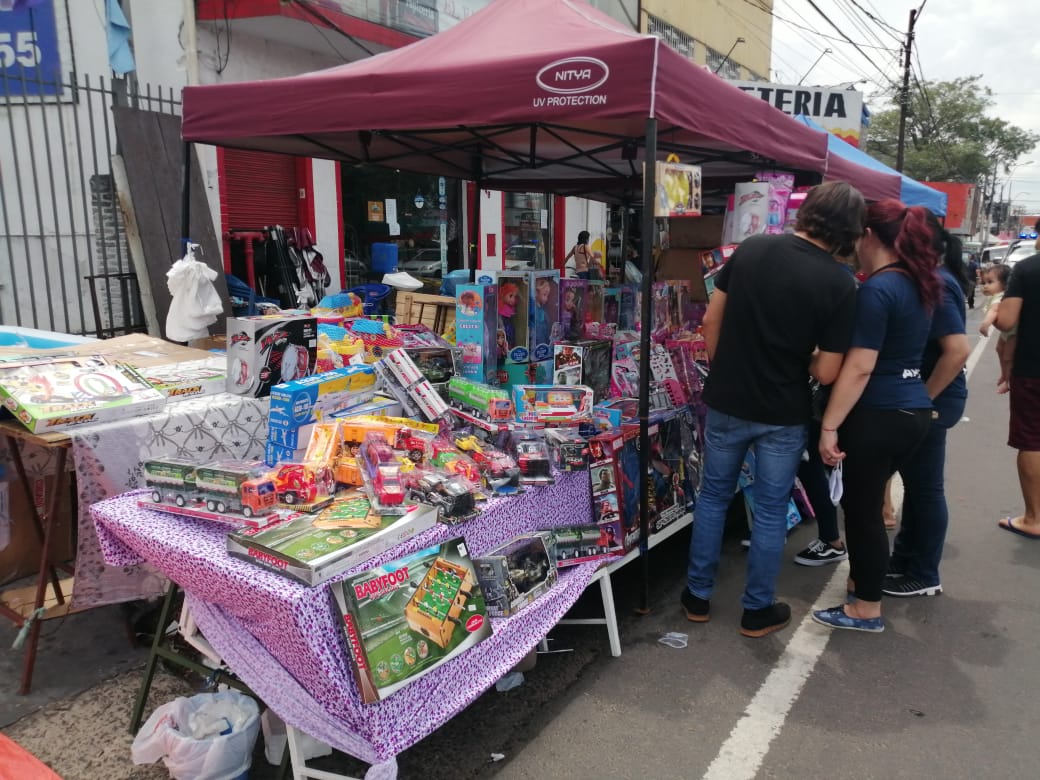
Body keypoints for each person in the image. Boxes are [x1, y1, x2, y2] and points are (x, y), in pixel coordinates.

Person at [682, 181, 862, 638]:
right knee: (769, 508)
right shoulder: (841, 283)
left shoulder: (752, 249)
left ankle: (697, 596)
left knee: (713, 497)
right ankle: (756, 608)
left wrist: (727, 372)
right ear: (848, 229)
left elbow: (709, 321)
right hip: (783, 410)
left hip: (726, 400)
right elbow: (826, 371)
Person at [814, 201, 940, 633]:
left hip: (878, 414)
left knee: (863, 513)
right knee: (869, 508)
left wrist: (829, 426)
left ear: (869, 235)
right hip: (913, 410)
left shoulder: (877, 290)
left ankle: (865, 608)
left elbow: (860, 366)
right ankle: (859, 585)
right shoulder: (916, 284)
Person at [885, 212, 971, 598]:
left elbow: (956, 351)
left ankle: (924, 572)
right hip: (929, 396)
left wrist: (925, 398)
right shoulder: (934, 279)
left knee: (926, 489)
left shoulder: (939, 282)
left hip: (936, 398)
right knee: (918, 486)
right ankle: (905, 560)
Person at [994, 223, 1040, 539]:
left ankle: (1034, 518)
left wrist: (996, 307)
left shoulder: (1027, 269)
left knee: (1032, 441)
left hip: (1033, 369)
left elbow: (1007, 321)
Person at [979, 264, 1016, 394]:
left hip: (1013, 333)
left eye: (990, 282)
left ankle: (1008, 381)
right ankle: (1004, 374)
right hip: (1007, 332)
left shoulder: (1001, 297)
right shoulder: (996, 295)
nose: (986, 285)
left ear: (1004, 283)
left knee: (1008, 356)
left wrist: (985, 325)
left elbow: (994, 311)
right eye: (985, 282)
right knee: (999, 349)